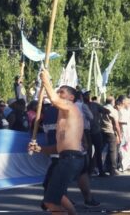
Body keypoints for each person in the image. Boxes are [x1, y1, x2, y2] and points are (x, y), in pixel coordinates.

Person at [37, 69, 86, 215]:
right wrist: (40, 149)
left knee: (51, 201)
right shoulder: (62, 118)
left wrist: (46, 80)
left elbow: (54, 99)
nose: (58, 94)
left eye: (62, 92)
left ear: (71, 97)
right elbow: (58, 148)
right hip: (66, 157)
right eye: (58, 92)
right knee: (53, 199)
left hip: (71, 158)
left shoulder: (71, 107)